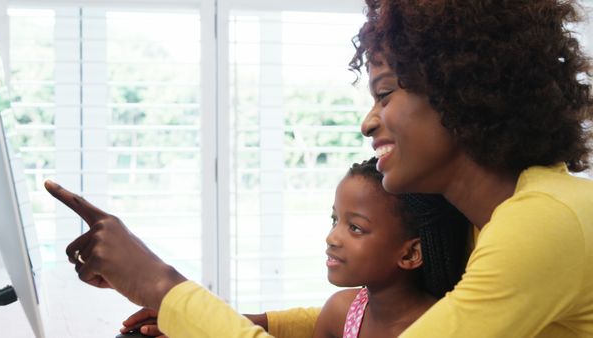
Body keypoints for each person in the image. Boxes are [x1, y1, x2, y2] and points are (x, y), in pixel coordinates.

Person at [45, 0, 593, 337]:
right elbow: (363, 316)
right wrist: (242, 323)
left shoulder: (541, 224)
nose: (367, 122)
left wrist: (160, 285)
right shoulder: (485, 220)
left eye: (384, 93)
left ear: (462, 95)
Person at [117, 158, 470, 337]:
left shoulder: (437, 326)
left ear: (409, 254)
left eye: (356, 228)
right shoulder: (342, 312)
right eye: (335, 220)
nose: (333, 237)